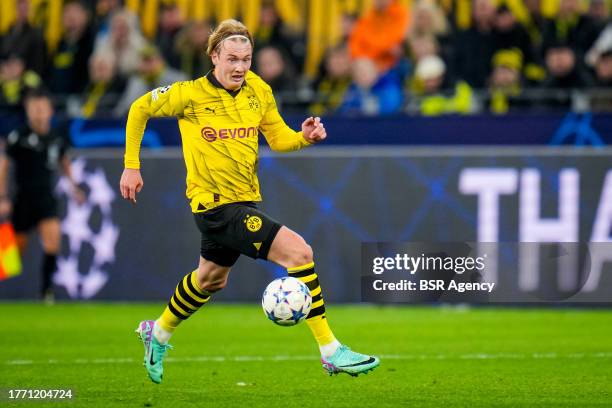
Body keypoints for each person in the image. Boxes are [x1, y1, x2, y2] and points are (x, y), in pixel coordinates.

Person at [120, 19, 380, 384]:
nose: (240, 67)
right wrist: (132, 166)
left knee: (210, 279)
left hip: (245, 201)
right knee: (300, 252)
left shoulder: (258, 89)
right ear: (214, 56)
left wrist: (304, 137)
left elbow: (279, 139)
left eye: (246, 59)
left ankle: (157, 332)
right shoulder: (189, 94)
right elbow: (138, 110)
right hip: (214, 207)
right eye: (232, 59)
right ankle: (330, 350)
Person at [0, 89, 83, 302]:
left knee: (52, 242)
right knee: (13, 253)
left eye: (42, 108)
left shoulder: (55, 139)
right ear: (28, 112)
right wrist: (3, 197)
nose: (38, 113)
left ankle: (46, 291)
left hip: (45, 198)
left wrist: (74, 187)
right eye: (34, 109)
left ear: (50, 111)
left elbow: (64, 162)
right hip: (22, 200)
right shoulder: (19, 136)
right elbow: (4, 165)